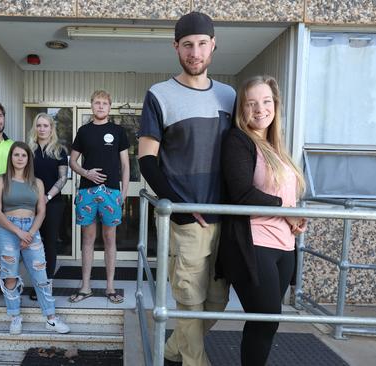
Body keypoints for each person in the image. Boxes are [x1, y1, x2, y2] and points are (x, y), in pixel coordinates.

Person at [137, 11, 236, 366]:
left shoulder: (229, 96)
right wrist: (178, 206)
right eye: (187, 45)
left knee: (216, 301)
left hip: (226, 216)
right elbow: (146, 160)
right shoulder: (159, 94)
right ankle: (195, 361)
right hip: (186, 221)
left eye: (202, 44)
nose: (195, 52)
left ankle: (174, 347)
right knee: (189, 299)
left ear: (213, 46)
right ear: (176, 47)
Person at [216, 75, 306, 366]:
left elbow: (285, 197)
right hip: (254, 243)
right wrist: (284, 209)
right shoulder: (238, 140)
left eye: (266, 101)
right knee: (265, 319)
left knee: (268, 322)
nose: (260, 109)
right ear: (242, 109)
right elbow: (241, 194)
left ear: (275, 105)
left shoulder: (277, 148)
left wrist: (295, 217)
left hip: (285, 245)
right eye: (251, 103)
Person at [0, 141, 70, 335]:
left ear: (29, 159)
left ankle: (50, 318)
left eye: (23, 155)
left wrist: (31, 233)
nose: (19, 159)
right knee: (9, 275)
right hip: (7, 230)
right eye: (16, 155)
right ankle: (15, 316)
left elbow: (41, 212)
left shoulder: (38, 183)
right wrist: (19, 233)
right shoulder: (0, 181)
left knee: (41, 276)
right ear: (11, 158)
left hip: (31, 230)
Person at [68, 90, 130, 304]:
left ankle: (110, 287)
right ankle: (85, 286)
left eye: (104, 103)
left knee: (110, 239)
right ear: (91, 106)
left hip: (111, 192)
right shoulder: (84, 131)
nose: (101, 106)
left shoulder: (118, 131)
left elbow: (125, 164)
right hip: (87, 191)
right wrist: (86, 173)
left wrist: (124, 191)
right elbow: (73, 161)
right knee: (87, 239)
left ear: (109, 107)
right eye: (97, 103)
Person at [27, 113, 68, 300]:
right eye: (39, 125)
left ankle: (47, 283)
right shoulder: (28, 150)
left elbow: (63, 178)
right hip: (30, 203)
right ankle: (36, 282)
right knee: (34, 244)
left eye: (46, 125)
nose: (42, 129)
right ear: (35, 128)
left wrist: (48, 196)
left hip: (53, 203)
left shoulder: (60, 151)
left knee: (50, 243)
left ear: (52, 128)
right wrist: (34, 198)